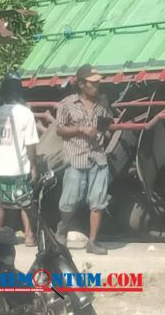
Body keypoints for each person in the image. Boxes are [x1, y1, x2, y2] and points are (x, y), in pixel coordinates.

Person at [56, 64, 112, 255]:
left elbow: (107, 124)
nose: (96, 86)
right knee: (70, 201)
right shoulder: (67, 103)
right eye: (92, 83)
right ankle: (63, 226)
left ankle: (93, 241)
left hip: (98, 157)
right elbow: (60, 129)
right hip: (76, 157)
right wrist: (80, 129)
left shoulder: (103, 103)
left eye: (98, 83)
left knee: (98, 201)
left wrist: (105, 129)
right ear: (81, 84)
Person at [0, 77, 39, 246]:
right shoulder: (26, 113)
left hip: (0, 168)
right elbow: (30, 145)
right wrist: (34, 166)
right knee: (26, 204)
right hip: (20, 168)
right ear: (20, 92)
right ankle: (29, 237)